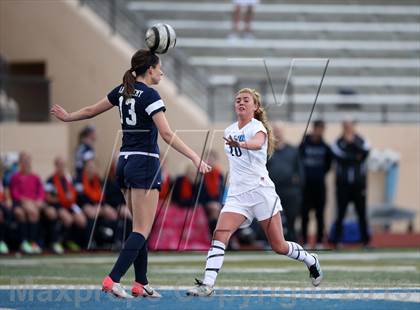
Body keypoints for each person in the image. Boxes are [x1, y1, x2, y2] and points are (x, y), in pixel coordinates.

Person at [51, 48, 211, 299]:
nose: (162, 72)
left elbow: (92, 110)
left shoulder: (122, 90)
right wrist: (193, 155)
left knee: (140, 227)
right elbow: (167, 134)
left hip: (124, 162)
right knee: (142, 229)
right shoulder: (150, 94)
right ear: (150, 70)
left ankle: (141, 282)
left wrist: (69, 116)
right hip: (144, 162)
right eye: (159, 68)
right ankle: (112, 279)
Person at [186, 88, 322, 297]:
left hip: (260, 192)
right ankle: (208, 283)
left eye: (246, 100)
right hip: (238, 195)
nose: (240, 102)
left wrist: (240, 143)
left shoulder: (258, 127)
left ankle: (310, 259)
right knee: (220, 233)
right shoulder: (229, 130)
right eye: (238, 100)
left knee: (279, 245)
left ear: (255, 107)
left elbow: (257, 143)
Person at [331, 119, 371, 247]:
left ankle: (366, 242)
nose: (348, 128)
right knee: (340, 213)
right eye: (346, 126)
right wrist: (355, 157)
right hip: (343, 185)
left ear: (354, 127)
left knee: (362, 213)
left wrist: (352, 143)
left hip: (359, 185)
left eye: (350, 126)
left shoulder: (362, 140)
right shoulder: (337, 142)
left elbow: (365, 152)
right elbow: (340, 157)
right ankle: (337, 241)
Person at [267, 123, 304, 242]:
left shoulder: (293, 151)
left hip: (290, 192)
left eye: (279, 130)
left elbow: (300, 171)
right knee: (272, 218)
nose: (277, 133)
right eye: (275, 130)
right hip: (272, 191)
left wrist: (298, 187)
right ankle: (273, 241)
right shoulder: (267, 151)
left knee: (291, 217)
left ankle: (292, 242)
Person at [300, 120, 332, 248]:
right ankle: (305, 241)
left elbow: (328, 165)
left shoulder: (325, 147)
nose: (319, 131)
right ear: (313, 128)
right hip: (306, 186)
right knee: (304, 214)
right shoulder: (304, 144)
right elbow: (298, 160)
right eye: (318, 128)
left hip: (319, 186)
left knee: (320, 214)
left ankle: (319, 241)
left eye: (322, 129)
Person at [45, 156, 87, 252]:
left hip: (70, 205)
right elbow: (48, 197)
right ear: (56, 166)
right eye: (60, 165)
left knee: (82, 220)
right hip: (58, 205)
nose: (62, 167)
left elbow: (75, 192)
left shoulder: (69, 179)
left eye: (63, 165)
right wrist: (61, 198)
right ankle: (57, 241)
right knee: (68, 219)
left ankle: (71, 241)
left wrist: (70, 197)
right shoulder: (50, 180)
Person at [9, 152, 44, 254]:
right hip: (19, 202)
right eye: (24, 160)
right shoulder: (15, 177)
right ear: (20, 163)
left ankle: (33, 242)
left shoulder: (35, 177)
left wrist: (39, 200)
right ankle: (23, 242)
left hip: (33, 203)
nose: (27, 163)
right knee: (21, 213)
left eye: (28, 160)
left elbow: (41, 191)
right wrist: (25, 201)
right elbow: (14, 193)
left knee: (33, 212)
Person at [199, 150, 225, 235]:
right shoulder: (201, 174)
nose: (210, 160)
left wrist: (218, 203)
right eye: (208, 158)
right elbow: (200, 192)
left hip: (216, 203)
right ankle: (214, 237)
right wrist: (208, 203)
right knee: (214, 212)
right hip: (204, 202)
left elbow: (221, 192)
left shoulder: (219, 175)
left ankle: (218, 237)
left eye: (212, 159)